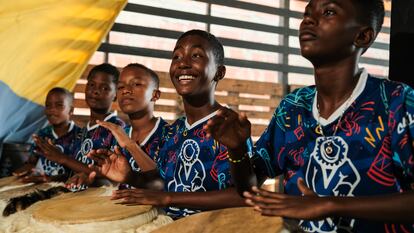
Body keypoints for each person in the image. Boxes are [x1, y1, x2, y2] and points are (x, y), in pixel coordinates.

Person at [205, 0, 414, 232]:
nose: (308, 20)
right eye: (307, 13)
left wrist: (330, 204)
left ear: (363, 36)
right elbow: (249, 189)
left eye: (329, 11)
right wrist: (237, 151)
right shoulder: (293, 107)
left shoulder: (396, 101)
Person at [87, 30, 245, 219]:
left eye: (196, 55)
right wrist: (130, 177)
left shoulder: (228, 125)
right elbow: (161, 185)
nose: (183, 63)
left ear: (219, 72)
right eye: (176, 56)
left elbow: (242, 195)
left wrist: (169, 198)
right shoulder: (173, 131)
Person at [69, 63, 169, 187]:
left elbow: (166, 187)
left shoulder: (170, 134)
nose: (126, 90)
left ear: (155, 95)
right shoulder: (121, 134)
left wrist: (131, 145)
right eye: (121, 87)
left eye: (136, 84)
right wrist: (92, 180)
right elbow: (118, 183)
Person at [34, 63, 125, 185]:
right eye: (92, 85)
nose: (96, 91)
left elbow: (113, 178)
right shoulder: (82, 132)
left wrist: (63, 158)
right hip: (76, 195)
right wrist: (50, 179)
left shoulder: (117, 128)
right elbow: (76, 172)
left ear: (115, 95)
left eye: (104, 88)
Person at [13, 87, 81, 183]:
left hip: (69, 188)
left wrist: (51, 179)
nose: (52, 109)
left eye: (59, 105)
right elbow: (32, 161)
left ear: (71, 110)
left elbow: (81, 171)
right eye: (48, 105)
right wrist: (27, 169)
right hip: (43, 186)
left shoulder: (80, 135)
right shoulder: (42, 135)